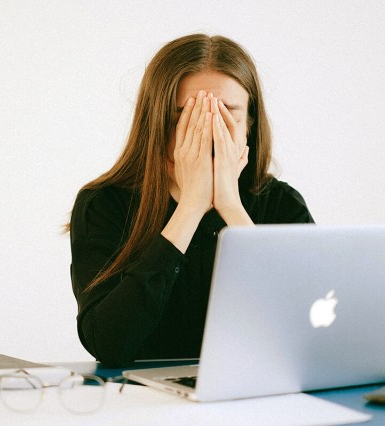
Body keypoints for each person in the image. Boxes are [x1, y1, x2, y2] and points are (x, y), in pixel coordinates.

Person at [67, 34, 314, 367]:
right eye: (187, 117)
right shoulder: (103, 204)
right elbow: (109, 344)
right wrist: (191, 207)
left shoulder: (282, 204)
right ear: (156, 124)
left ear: (249, 126)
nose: (209, 132)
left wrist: (231, 207)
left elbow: (306, 333)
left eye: (227, 116)